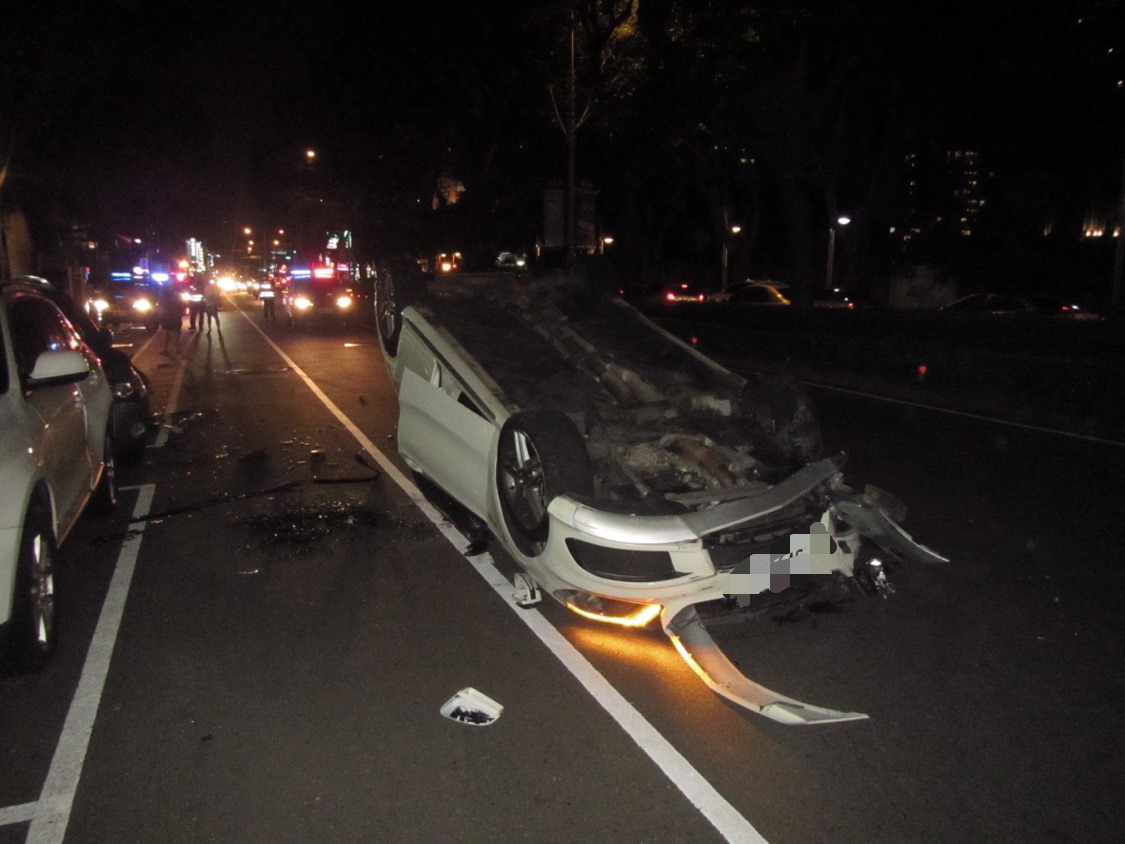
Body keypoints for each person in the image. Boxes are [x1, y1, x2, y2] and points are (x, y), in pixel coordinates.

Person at [157, 283, 183, 356]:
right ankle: (168, 348)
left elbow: (160, 304)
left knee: (173, 331)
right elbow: (161, 304)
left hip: (173, 314)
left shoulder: (170, 293)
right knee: (168, 331)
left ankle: (174, 348)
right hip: (169, 314)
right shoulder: (168, 294)